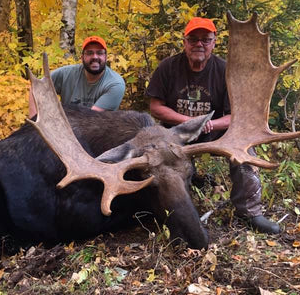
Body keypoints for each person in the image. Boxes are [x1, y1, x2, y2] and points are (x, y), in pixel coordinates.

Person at [145, 17, 280, 235]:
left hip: (213, 132)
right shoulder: (168, 67)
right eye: (194, 39)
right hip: (175, 133)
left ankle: (250, 212)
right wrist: (188, 122)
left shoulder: (225, 71)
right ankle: (165, 211)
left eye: (205, 40)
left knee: (243, 146)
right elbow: (156, 107)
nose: (199, 44)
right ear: (185, 41)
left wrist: (210, 124)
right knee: (149, 153)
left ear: (214, 42)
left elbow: (237, 116)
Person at [29, 36, 126, 117]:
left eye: (99, 53)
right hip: (66, 128)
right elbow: (37, 88)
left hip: (97, 133)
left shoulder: (115, 84)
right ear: (82, 57)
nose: (95, 57)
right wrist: (35, 121)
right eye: (89, 53)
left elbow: (90, 119)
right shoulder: (66, 74)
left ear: (106, 57)